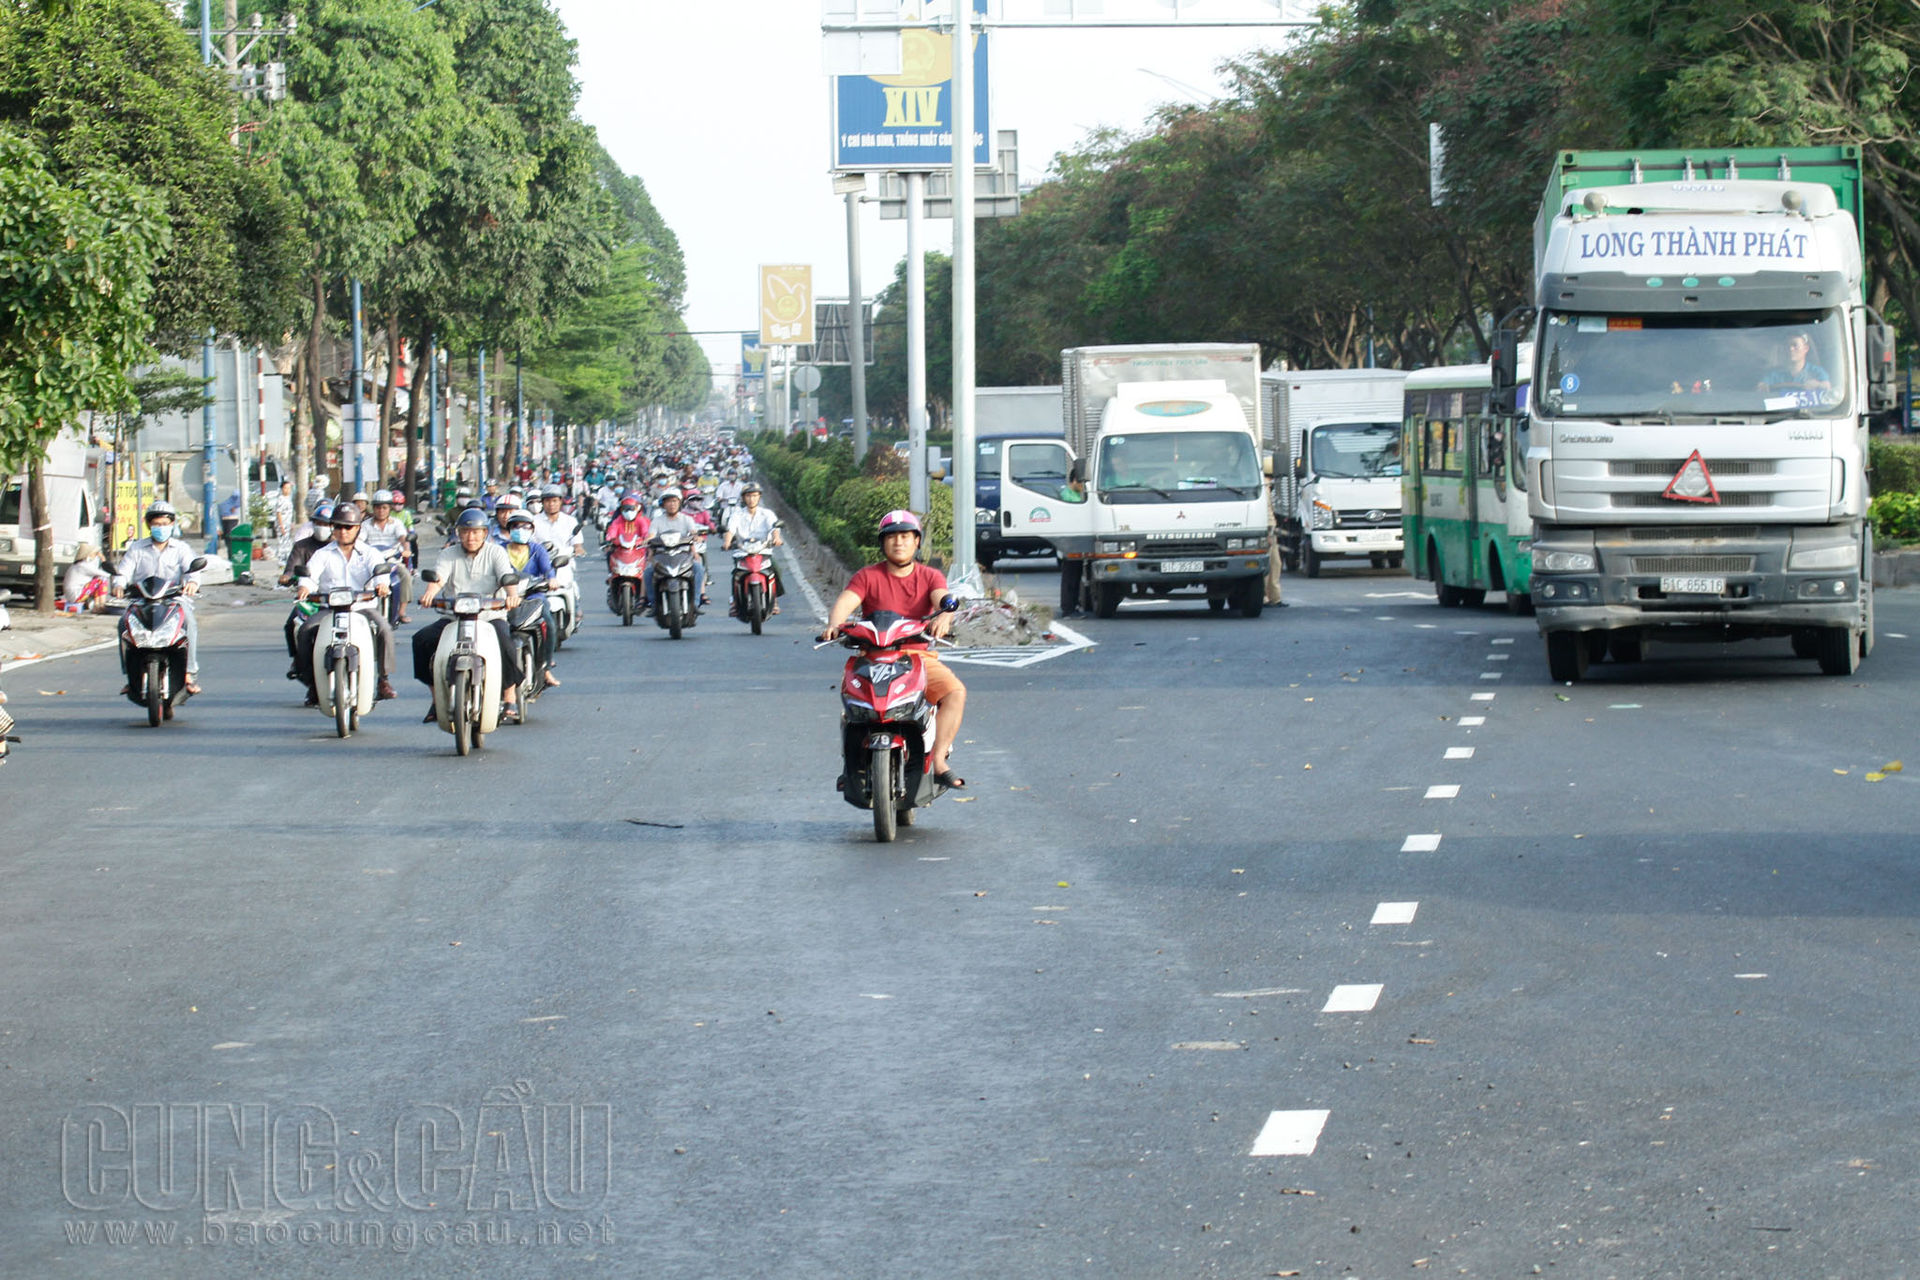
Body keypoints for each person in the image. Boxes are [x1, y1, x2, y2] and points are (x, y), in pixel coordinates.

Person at [820, 510, 967, 788]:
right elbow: (845, 602)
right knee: (853, 705)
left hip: (917, 657)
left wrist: (945, 615)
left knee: (955, 692)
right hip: (872, 658)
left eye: (905, 536)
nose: (898, 542)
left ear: (916, 541)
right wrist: (835, 624)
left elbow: (941, 598)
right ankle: (851, 765)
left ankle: (938, 760)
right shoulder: (867, 576)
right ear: (882, 543)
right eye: (891, 537)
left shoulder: (930, 576)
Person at [414, 507, 526, 721]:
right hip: (454, 617)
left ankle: (509, 695)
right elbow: (438, 578)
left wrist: (512, 597)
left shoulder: (496, 552)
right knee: (422, 640)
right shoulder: (448, 553)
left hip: (489, 616)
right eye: (465, 531)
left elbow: (506, 577)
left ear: (485, 533)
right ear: (458, 533)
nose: (470, 536)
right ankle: (437, 699)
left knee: (506, 643)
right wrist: (429, 594)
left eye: (476, 532)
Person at [294, 504, 397, 706]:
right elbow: (310, 575)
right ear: (333, 527)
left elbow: (380, 573)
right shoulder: (323, 554)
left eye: (348, 527)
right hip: (329, 609)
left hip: (361, 607)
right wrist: (304, 587)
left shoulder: (369, 553)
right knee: (305, 631)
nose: (343, 532)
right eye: (339, 526)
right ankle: (313, 685)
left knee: (384, 629)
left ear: (358, 528)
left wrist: (382, 584)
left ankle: (383, 680)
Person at [112, 502, 204, 696]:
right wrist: (118, 585)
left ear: (172, 524)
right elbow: (124, 571)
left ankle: (189, 674)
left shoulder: (181, 549)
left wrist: (192, 583)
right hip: (142, 600)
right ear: (148, 525)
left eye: (164, 523)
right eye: (156, 524)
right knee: (123, 625)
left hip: (173, 600)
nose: (160, 527)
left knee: (190, 623)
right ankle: (130, 676)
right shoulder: (137, 548)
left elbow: (192, 571)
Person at [501, 509, 561, 689]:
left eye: (525, 526)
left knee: (549, 623)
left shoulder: (537, 549)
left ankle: (546, 667)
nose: (521, 529)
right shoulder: (500, 550)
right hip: (506, 598)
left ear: (532, 530)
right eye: (516, 526)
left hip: (533, 596)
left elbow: (548, 569)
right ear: (509, 529)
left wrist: (551, 579)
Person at [722, 482, 784, 616]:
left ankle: (775, 601)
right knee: (736, 574)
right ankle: (734, 602)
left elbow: (774, 527)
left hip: (763, 550)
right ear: (744, 498)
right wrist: (727, 542)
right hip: (742, 552)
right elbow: (730, 530)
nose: (752, 499)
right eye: (748, 496)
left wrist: (776, 538)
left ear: (759, 497)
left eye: (754, 496)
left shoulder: (766, 513)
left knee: (775, 569)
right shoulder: (737, 515)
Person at [644, 488, 708, 614]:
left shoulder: (687, 519)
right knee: (648, 572)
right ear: (663, 504)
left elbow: (693, 533)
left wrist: (696, 537)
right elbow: (651, 536)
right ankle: (653, 603)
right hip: (662, 556)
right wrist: (647, 541)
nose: (672, 504)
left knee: (698, 568)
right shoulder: (657, 521)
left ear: (679, 503)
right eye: (668, 501)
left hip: (683, 555)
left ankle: (696, 602)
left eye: (674, 501)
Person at [362, 490, 413, 625]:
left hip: (392, 559)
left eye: (384, 507)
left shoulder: (396, 523)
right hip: (371, 561)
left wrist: (406, 549)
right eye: (378, 507)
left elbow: (403, 538)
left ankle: (401, 611)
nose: (381, 510)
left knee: (405, 575)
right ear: (373, 508)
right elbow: (360, 541)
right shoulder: (365, 525)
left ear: (389, 508)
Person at [1760, 330, 1833, 399]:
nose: (1791, 349)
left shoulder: (1816, 371)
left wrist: (1818, 385)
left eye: (1795, 345)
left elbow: (1827, 387)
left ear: (1806, 348)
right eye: (1787, 345)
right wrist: (1763, 387)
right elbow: (1760, 388)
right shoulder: (1774, 375)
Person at [1055, 472, 1087, 618]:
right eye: (1081, 484)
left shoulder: (1075, 494)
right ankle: (1068, 608)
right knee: (1070, 576)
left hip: (1076, 541)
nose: (1082, 487)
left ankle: (1073, 605)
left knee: (1075, 574)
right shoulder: (1067, 496)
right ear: (1074, 481)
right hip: (1069, 542)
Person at [531, 484, 585, 563]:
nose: (551, 504)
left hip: (564, 565)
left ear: (560, 501)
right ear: (542, 502)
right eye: (547, 501)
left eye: (554, 501)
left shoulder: (570, 521)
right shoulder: (533, 521)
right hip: (540, 564)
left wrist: (578, 550)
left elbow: (577, 544)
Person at [63, 542, 110, 612]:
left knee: (97, 579)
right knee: (102, 579)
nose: (96, 555)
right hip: (76, 595)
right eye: (95, 553)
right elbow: (106, 574)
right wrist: (103, 560)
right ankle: (102, 605)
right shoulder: (83, 566)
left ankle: (97, 606)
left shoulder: (78, 565)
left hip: (71, 595)